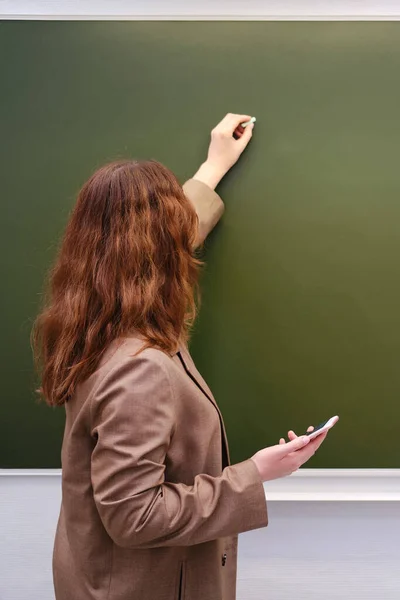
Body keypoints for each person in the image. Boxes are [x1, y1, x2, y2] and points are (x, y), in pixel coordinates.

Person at [32, 113, 327, 600]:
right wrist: (257, 473)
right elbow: (135, 516)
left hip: (100, 578)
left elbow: (174, 230)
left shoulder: (95, 319)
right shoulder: (137, 367)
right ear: (159, 251)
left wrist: (213, 167)